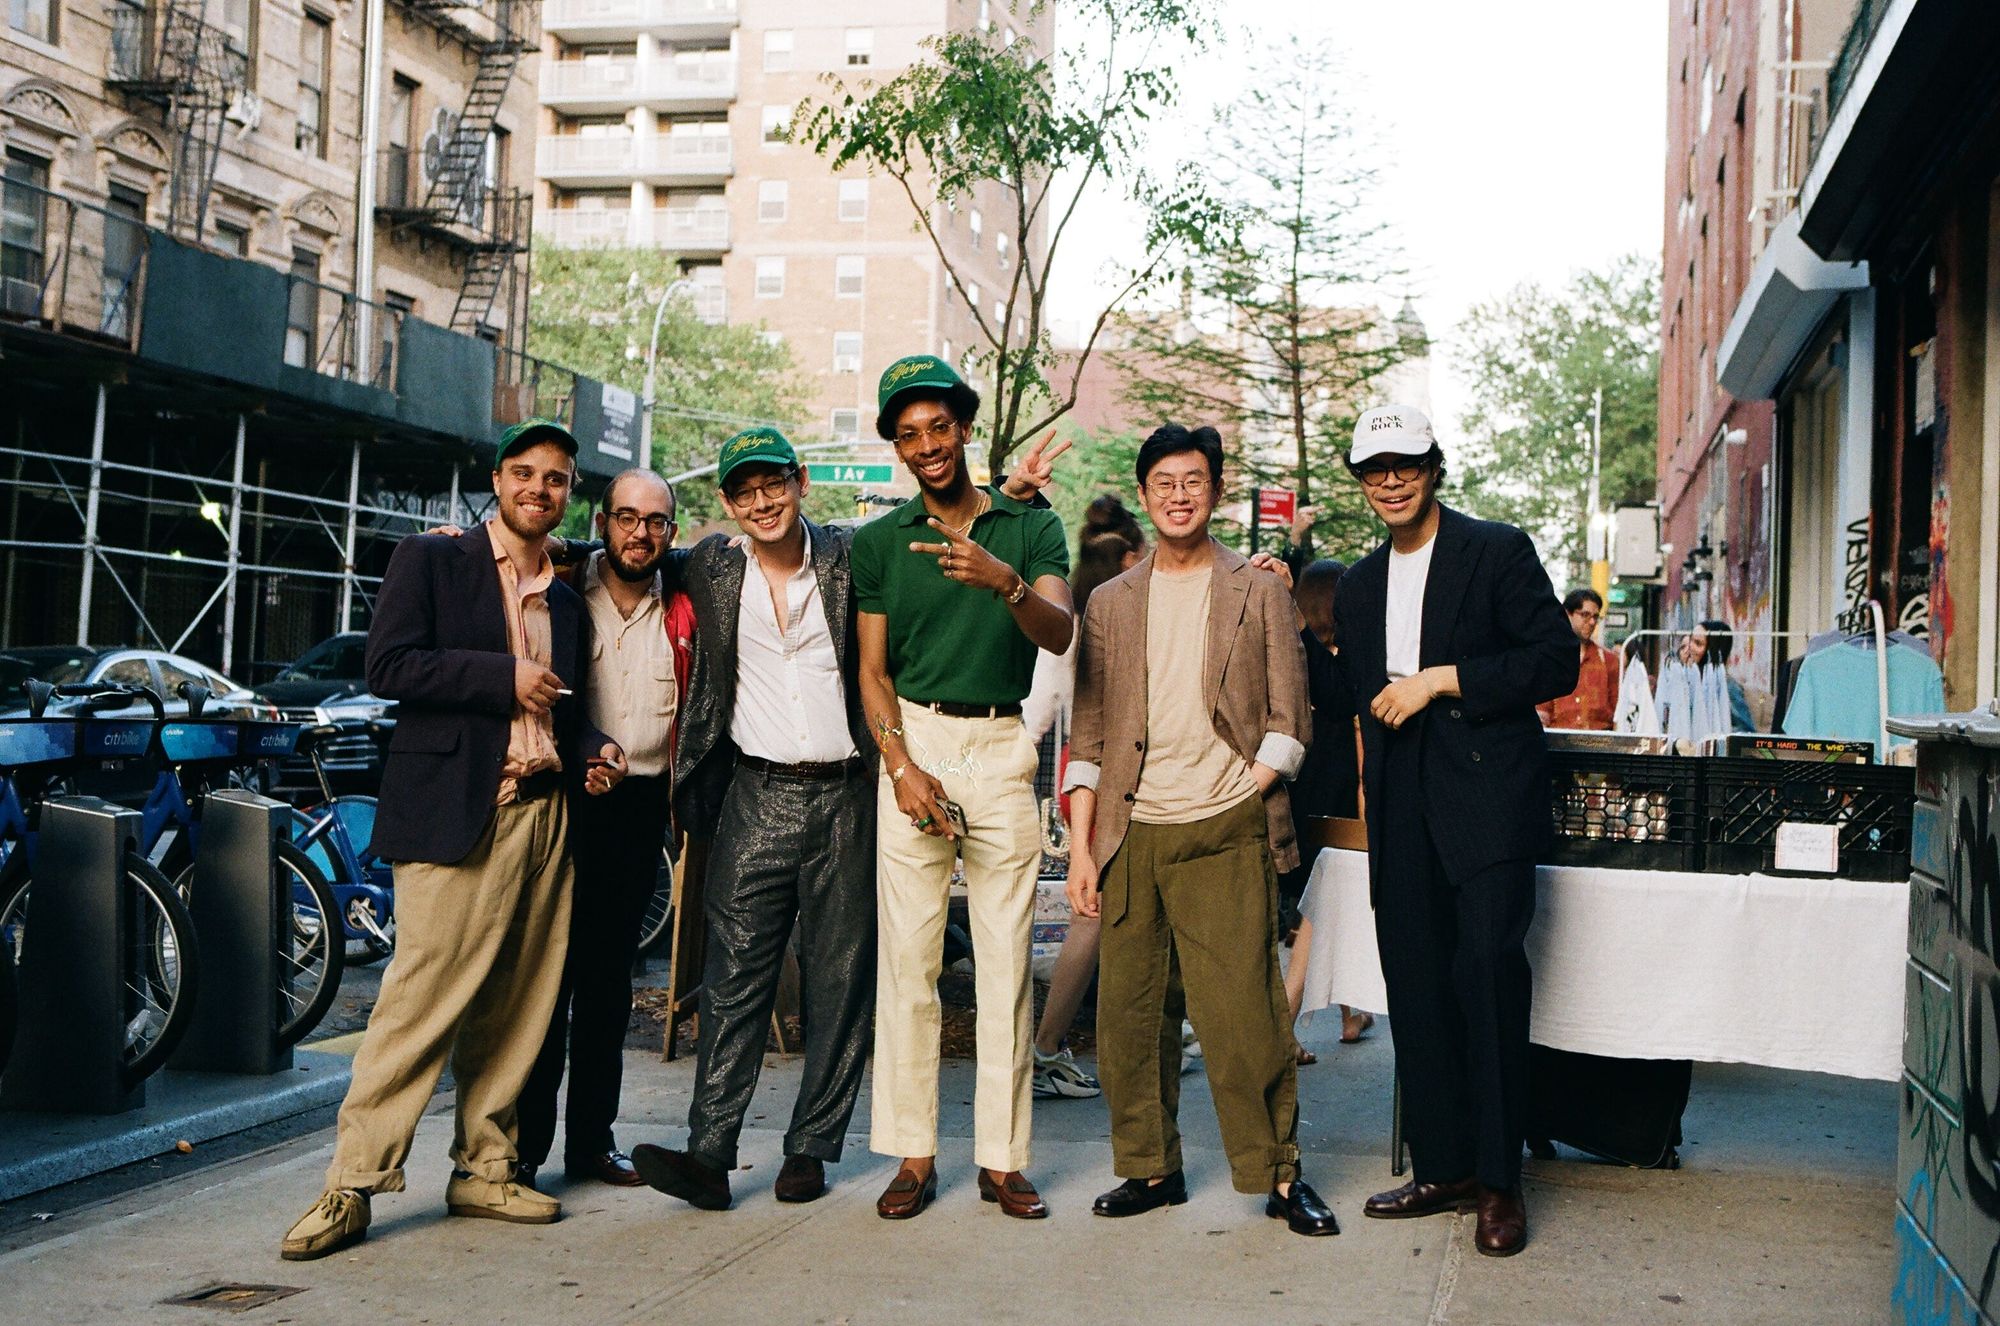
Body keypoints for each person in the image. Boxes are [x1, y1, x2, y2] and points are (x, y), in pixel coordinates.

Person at [281, 420, 624, 1261]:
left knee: (519, 1010)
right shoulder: (433, 559)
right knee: (417, 1004)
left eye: (555, 478)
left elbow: (566, 713)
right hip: (458, 813)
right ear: (497, 482)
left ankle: (485, 1168)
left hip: (546, 816)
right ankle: (352, 1182)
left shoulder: (567, 600)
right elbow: (390, 667)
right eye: (524, 473)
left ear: (568, 494)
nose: (538, 489)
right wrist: (503, 676)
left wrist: (596, 751)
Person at [1065, 423, 1337, 1236]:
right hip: (1131, 831)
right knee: (1129, 1019)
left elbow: (1291, 717)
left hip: (1225, 824)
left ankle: (1279, 1175)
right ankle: (1151, 1168)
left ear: (1214, 491)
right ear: (1143, 494)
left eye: (1193, 481)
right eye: (1164, 483)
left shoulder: (1259, 589)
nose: (1178, 495)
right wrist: (1082, 849)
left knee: (1244, 1017)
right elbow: (1090, 733)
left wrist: (1247, 790)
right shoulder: (1110, 602)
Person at [1333, 404, 1576, 1259]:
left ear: (1434, 467)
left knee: (1488, 976)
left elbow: (1555, 659)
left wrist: (1443, 679)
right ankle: (1444, 1167)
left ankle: (1500, 1181)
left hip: (1489, 800)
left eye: (1406, 463)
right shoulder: (1358, 586)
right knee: (1417, 986)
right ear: (1362, 482)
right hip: (1402, 805)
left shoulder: (1495, 550)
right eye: (1375, 469)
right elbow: (1353, 703)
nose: (1391, 481)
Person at [626, 428, 878, 1210]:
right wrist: (543, 546)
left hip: (848, 795)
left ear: (801, 482)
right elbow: (636, 555)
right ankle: (708, 1155)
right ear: (729, 504)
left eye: (774, 485)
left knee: (840, 981)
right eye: (745, 492)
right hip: (754, 794)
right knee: (732, 979)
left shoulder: (849, 556)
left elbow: (926, 549)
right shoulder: (713, 564)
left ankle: (811, 1148)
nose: (762, 503)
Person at [852, 354, 1074, 1221]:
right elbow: (872, 674)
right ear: (897, 448)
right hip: (914, 739)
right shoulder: (880, 542)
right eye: (909, 434)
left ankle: (1002, 1159)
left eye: (939, 426)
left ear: (966, 429)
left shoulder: (1029, 526)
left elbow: (1058, 632)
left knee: (1006, 964)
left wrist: (1004, 579)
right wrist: (901, 767)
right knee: (909, 964)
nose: (927, 445)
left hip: (998, 743)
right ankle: (914, 1155)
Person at [514, 468, 693, 1191]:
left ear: (671, 532)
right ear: (603, 522)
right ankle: (523, 1150)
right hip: (564, 801)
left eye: (655, 521)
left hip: (640, 810)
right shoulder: (561, 589)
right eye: (626, 518)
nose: (639, 533)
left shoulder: (684, 603)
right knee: (544, 981)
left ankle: (591, 1142)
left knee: (608, 986)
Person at [1022, 494, 1147, 1101]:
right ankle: (1046, 1048)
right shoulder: (1119, 618)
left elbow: (1040, 711)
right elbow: (1041, 711)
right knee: (1093, 915)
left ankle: (1160, 1031)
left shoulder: (1073, 618)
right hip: (1107, 777)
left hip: (1087, 775)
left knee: (1107, 911)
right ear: (1126, 556)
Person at [1279, 558, 1370, 1054]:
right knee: (1320, 911)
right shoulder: (1344, 667)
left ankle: (1351, 1012)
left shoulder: (1293, 656)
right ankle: (1284, 1028)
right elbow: (1359, 752)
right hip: (1338, 803)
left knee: (1328, 906)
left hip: (1294, 794)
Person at [1536, 588, 1622, 730]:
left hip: (1599, 739)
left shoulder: (1609, 661)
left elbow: (1618, 713)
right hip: (1560, 739)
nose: (1592, 622)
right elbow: (1542, 711)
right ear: (1567, 614)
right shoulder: (1551, 659)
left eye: (1596, 617)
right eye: (1585, 615)